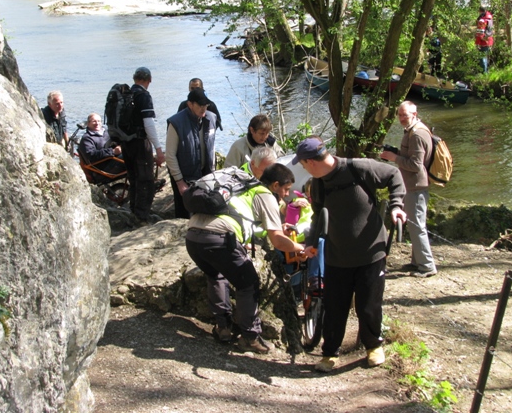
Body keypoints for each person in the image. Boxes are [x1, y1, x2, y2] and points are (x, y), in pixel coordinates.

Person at [293, 137, 406, 371]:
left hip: (371, 253)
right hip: (337, 256)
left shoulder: (359, 168)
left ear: (311, 162)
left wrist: (396, 206)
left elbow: (394, 175)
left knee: (369, 305)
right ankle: (329, 353)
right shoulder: (319, 183)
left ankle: (374, 346)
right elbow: (317, 217)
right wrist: (312, 243)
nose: (303, 169)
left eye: (302, 164)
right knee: (335, 307)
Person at [185, 163, 310, 354]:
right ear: (275, 185)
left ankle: (223, 328)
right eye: (285, 189)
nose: (286, 194)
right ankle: (250, 338)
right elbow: (277, 241)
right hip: (219, 240)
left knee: (216, 276)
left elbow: (243, 220)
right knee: (248, 284)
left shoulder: (242, 189)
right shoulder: (265, 194)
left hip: (193, 238)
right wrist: (300, 247)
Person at [380, 101, 437, 278]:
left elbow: (416, 165)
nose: (402, 118)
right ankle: (417, 262)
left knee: (417, 226)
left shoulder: (417, 134)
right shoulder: (413, 130)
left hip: (416, 186)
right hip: (411, 186)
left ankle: (427, 266)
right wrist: (395, 152)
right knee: (413, 226)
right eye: (400, 115)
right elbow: (411, 156)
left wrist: (394, 157)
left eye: (405, 115)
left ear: (414, 113)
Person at [166, 87, 218, 219]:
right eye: (200, 105)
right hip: (184, 177)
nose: (204, 108)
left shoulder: (211, 118)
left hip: (205, 175)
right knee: (184, 215)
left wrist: (213, 174)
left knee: (205, 213)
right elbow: (170, 155)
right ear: (190, 104)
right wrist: (179, 181)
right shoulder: (176, 123)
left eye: (206, 105)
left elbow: (212, 147)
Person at [123, 67, 165, 223]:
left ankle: (133, 211)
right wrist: (158, 149)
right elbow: (149, 124)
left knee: (133, 178)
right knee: (146, 180)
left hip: (126, 143)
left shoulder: (126, 94)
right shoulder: (143, 96)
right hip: (141, 143)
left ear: (134, 78)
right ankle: (142, 217)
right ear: (150, 79)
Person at [78, 113, 124, 179]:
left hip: (113, 159)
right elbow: (91, 155)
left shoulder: (107, 132)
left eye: (99, 121)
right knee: (127, 156)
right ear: (88, 124)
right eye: (94, 121)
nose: (97, 123)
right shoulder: (87, 138)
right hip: (102, 168)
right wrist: (113, 151)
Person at [475, 6, 494, 73]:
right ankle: (486, 73)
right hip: (489, 40)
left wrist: (477, 43)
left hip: (483, 42)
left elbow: (480, 33)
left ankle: (484, 74)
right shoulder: (490, 18)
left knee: (482, 58)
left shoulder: (482, 20)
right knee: (485, 57)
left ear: (480, 11)